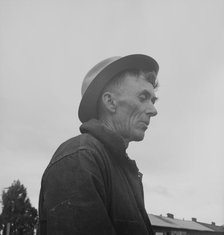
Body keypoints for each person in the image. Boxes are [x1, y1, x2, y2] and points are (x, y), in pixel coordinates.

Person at [38, 54, 159, 235]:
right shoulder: (80, 157)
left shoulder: (123, 169)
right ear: (110, 102)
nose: (153, 110)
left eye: (153, 100)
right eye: (143, 97)